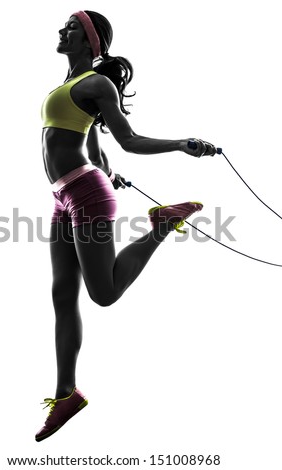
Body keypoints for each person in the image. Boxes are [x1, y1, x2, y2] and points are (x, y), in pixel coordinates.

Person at [36, 10, 216, 442]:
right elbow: (94, 149)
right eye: (64, 26)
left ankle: (160, 225)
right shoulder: (68, 88)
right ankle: (66, 395)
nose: (63, 31)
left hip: (86, 194)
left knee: (104, 294)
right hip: (65, 194)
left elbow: (128, 139)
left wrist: (180, 144)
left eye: (72, 27)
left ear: (91, 41)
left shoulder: (97, 85)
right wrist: (108, 171)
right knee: (63, 293)